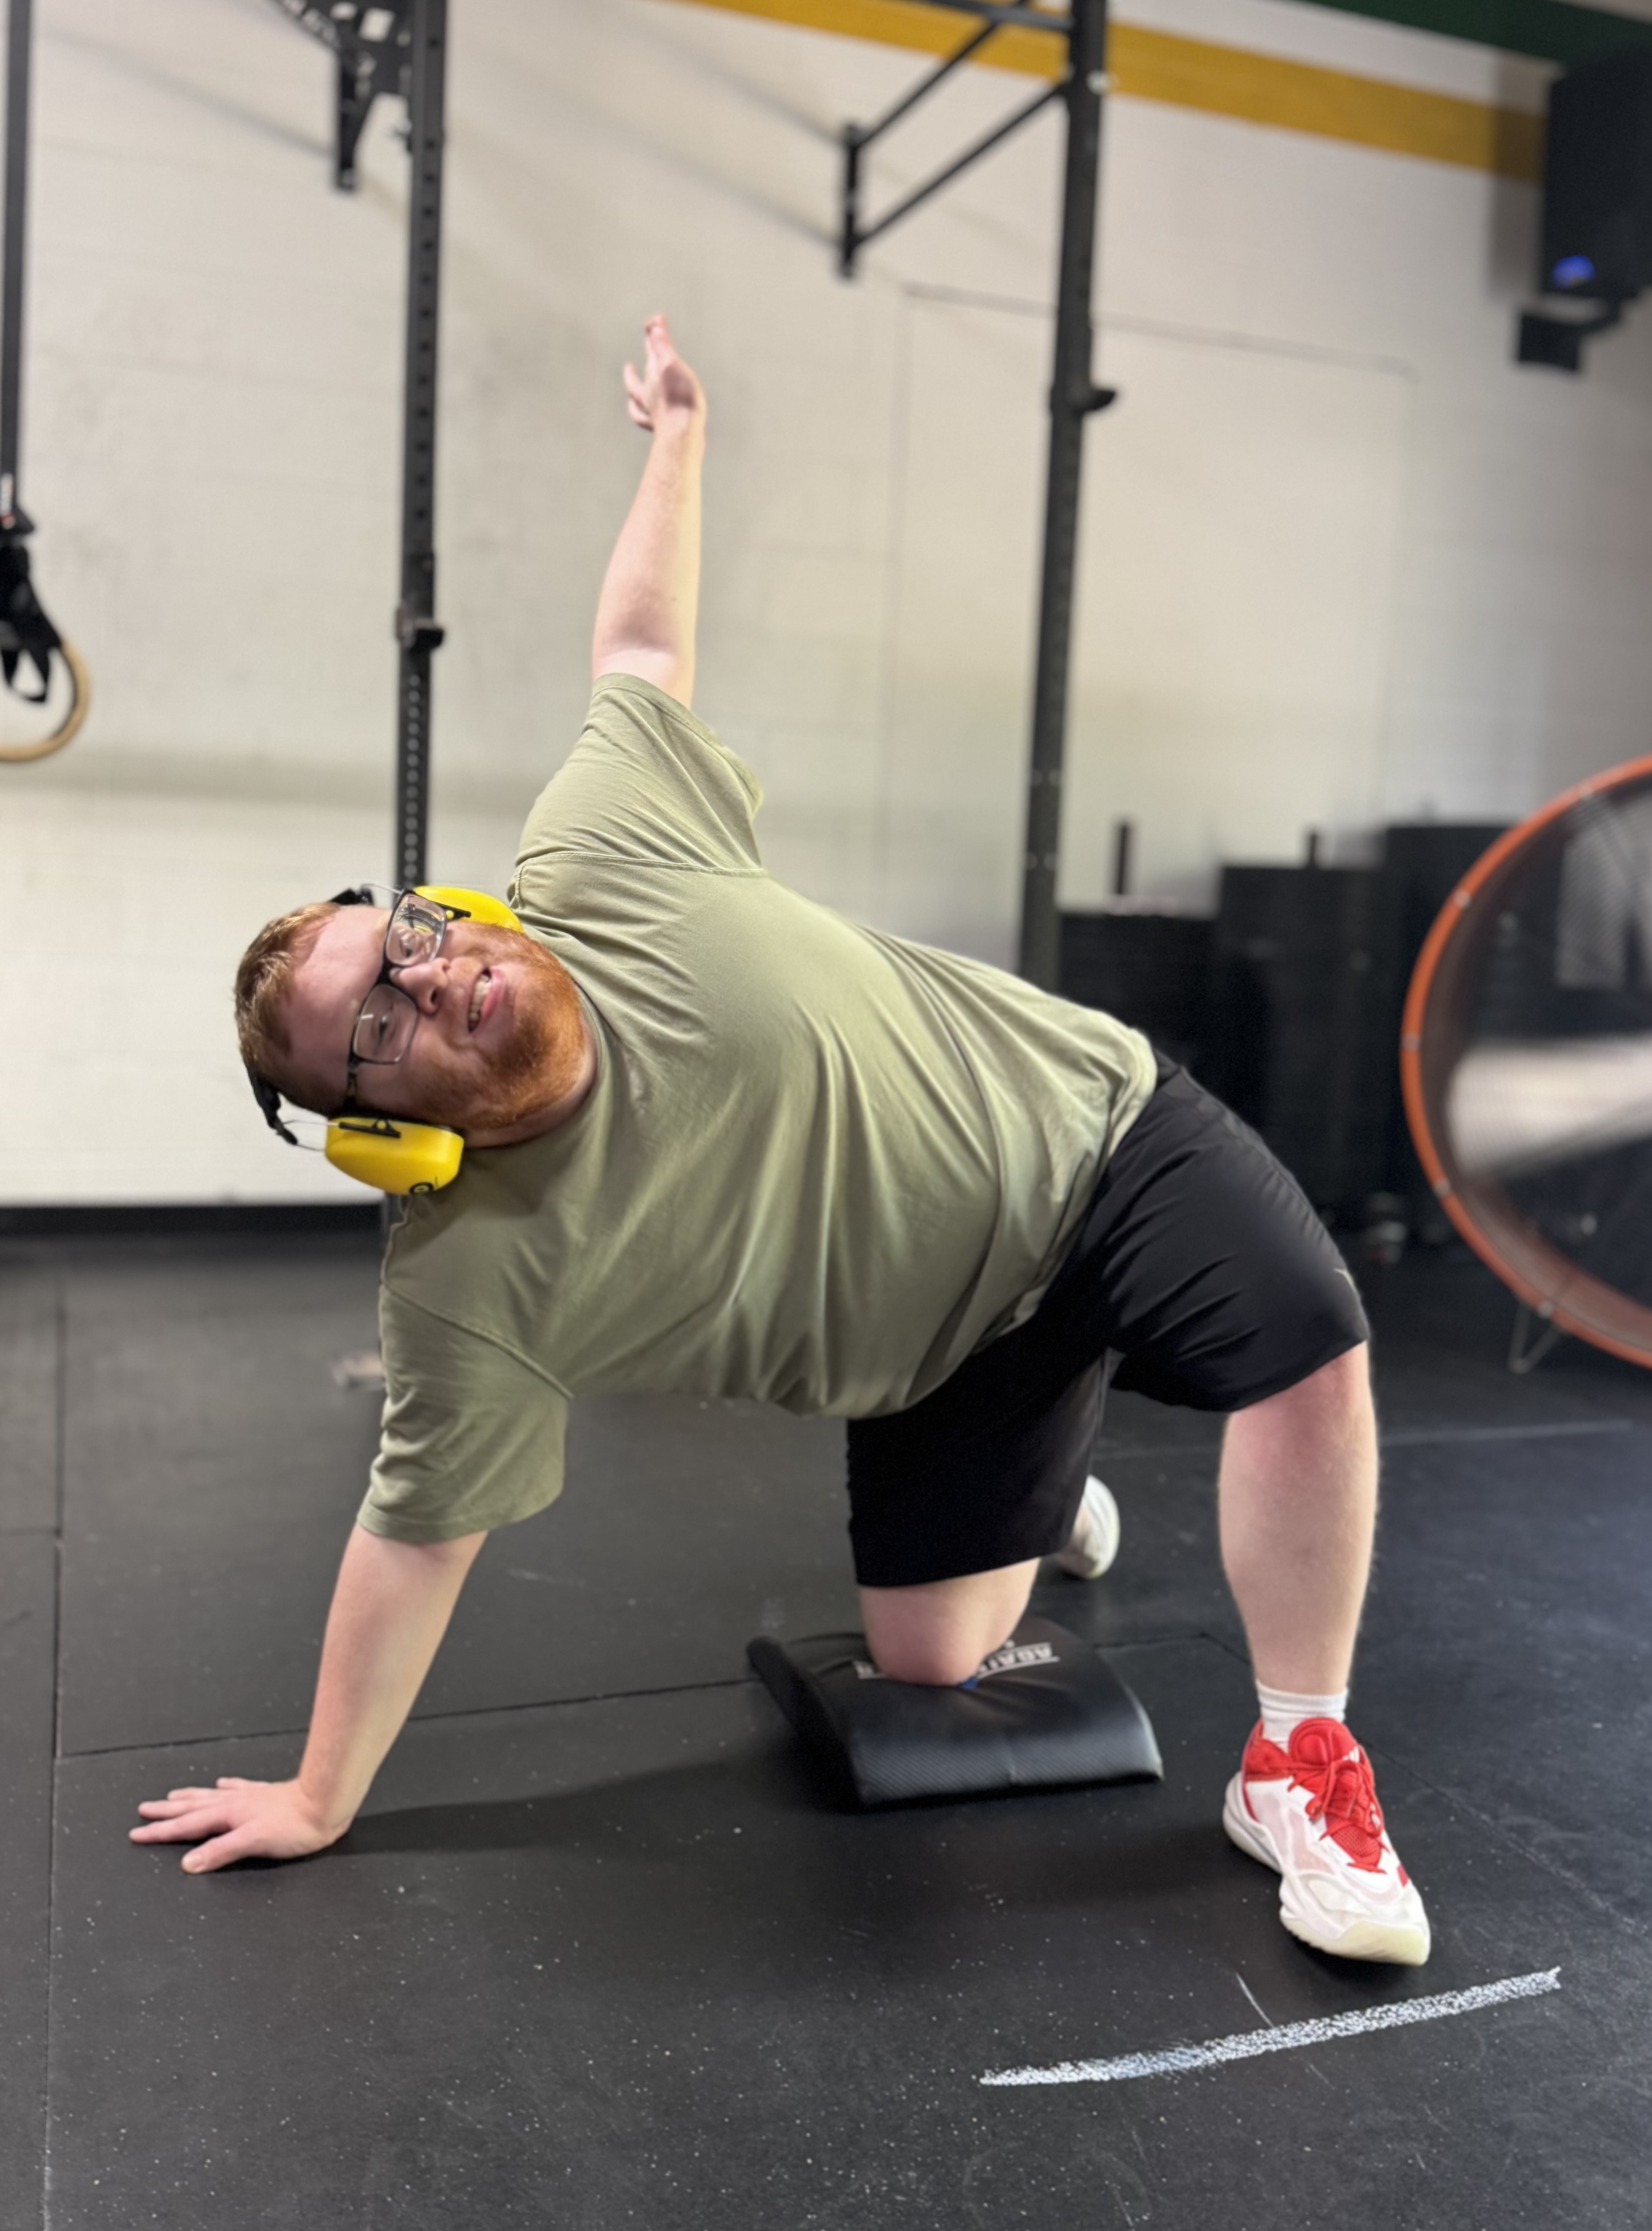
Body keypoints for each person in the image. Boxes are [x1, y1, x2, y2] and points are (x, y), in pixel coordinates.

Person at [132, 317, 1429, 1968]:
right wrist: (321, 1794)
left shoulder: (601, 856)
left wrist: (679, 437)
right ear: (379, 1129)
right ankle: (1051, 1480)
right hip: (955, 1354)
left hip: (1089, 1135)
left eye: (402, 937)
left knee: (1310, 1342)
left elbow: (638, 647)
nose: (426, 978)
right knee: (933, 1662)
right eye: (373, 1025)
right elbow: (413, 1537)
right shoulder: (471, 1282)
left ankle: (1298, 1760)